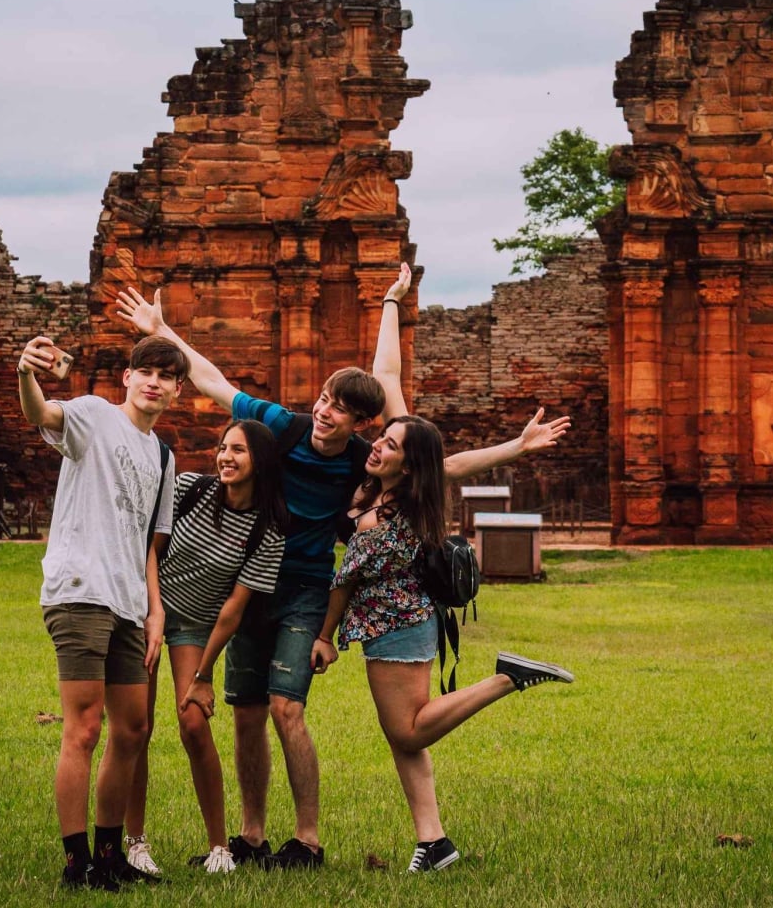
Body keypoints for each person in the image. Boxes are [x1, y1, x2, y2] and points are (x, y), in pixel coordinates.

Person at [113, 268, 570, 870]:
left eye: (343, 410)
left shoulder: (367, 461)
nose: (327, 413)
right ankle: (251, 838)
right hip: (251, 586)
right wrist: (163, 329)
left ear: (362, 424)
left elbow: (437, 456)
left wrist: (515, 447)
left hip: (305, 589)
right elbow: (215, 381)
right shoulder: (285, 427)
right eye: (326, 400)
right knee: (246, 710)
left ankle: (306, 841)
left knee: (287, 708)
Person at [17, 333, 187, 891]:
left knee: (134, 729)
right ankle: (76, 863)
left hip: (129, 602)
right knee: (85, 729)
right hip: (80, 588)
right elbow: (42, 410)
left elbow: (149, 545)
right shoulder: (92, 415)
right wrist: (26, 372)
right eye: (146, 372)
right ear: (128, 378)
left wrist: (155, 610)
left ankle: (111, 854)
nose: (154, 382)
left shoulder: (162, 455)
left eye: (166, 376)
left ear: (177, 391)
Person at [121, 419, 288, 877]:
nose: (226, 457)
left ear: (261, 461)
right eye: (222, 447)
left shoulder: (268, 529)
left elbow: (233, 610)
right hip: (146, 611)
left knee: (194, 723)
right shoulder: (190, 489)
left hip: (196, 627)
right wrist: (152, 613)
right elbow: (148, 550)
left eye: (239, 450)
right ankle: (135, 843)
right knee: (137, 726)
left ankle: (220, 848)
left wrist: (204, 674)